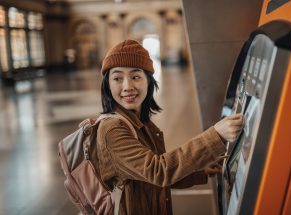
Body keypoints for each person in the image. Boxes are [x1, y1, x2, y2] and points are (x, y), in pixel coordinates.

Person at [95, 39, 244, 215]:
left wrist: (199, 171)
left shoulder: (139, 122)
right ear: (107, 84)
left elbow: (148, 177)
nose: (127, 86)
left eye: (135, 76)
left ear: (149, 82)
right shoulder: (113, 130)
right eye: (117, 78)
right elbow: (159, 171)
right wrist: (215, 135)